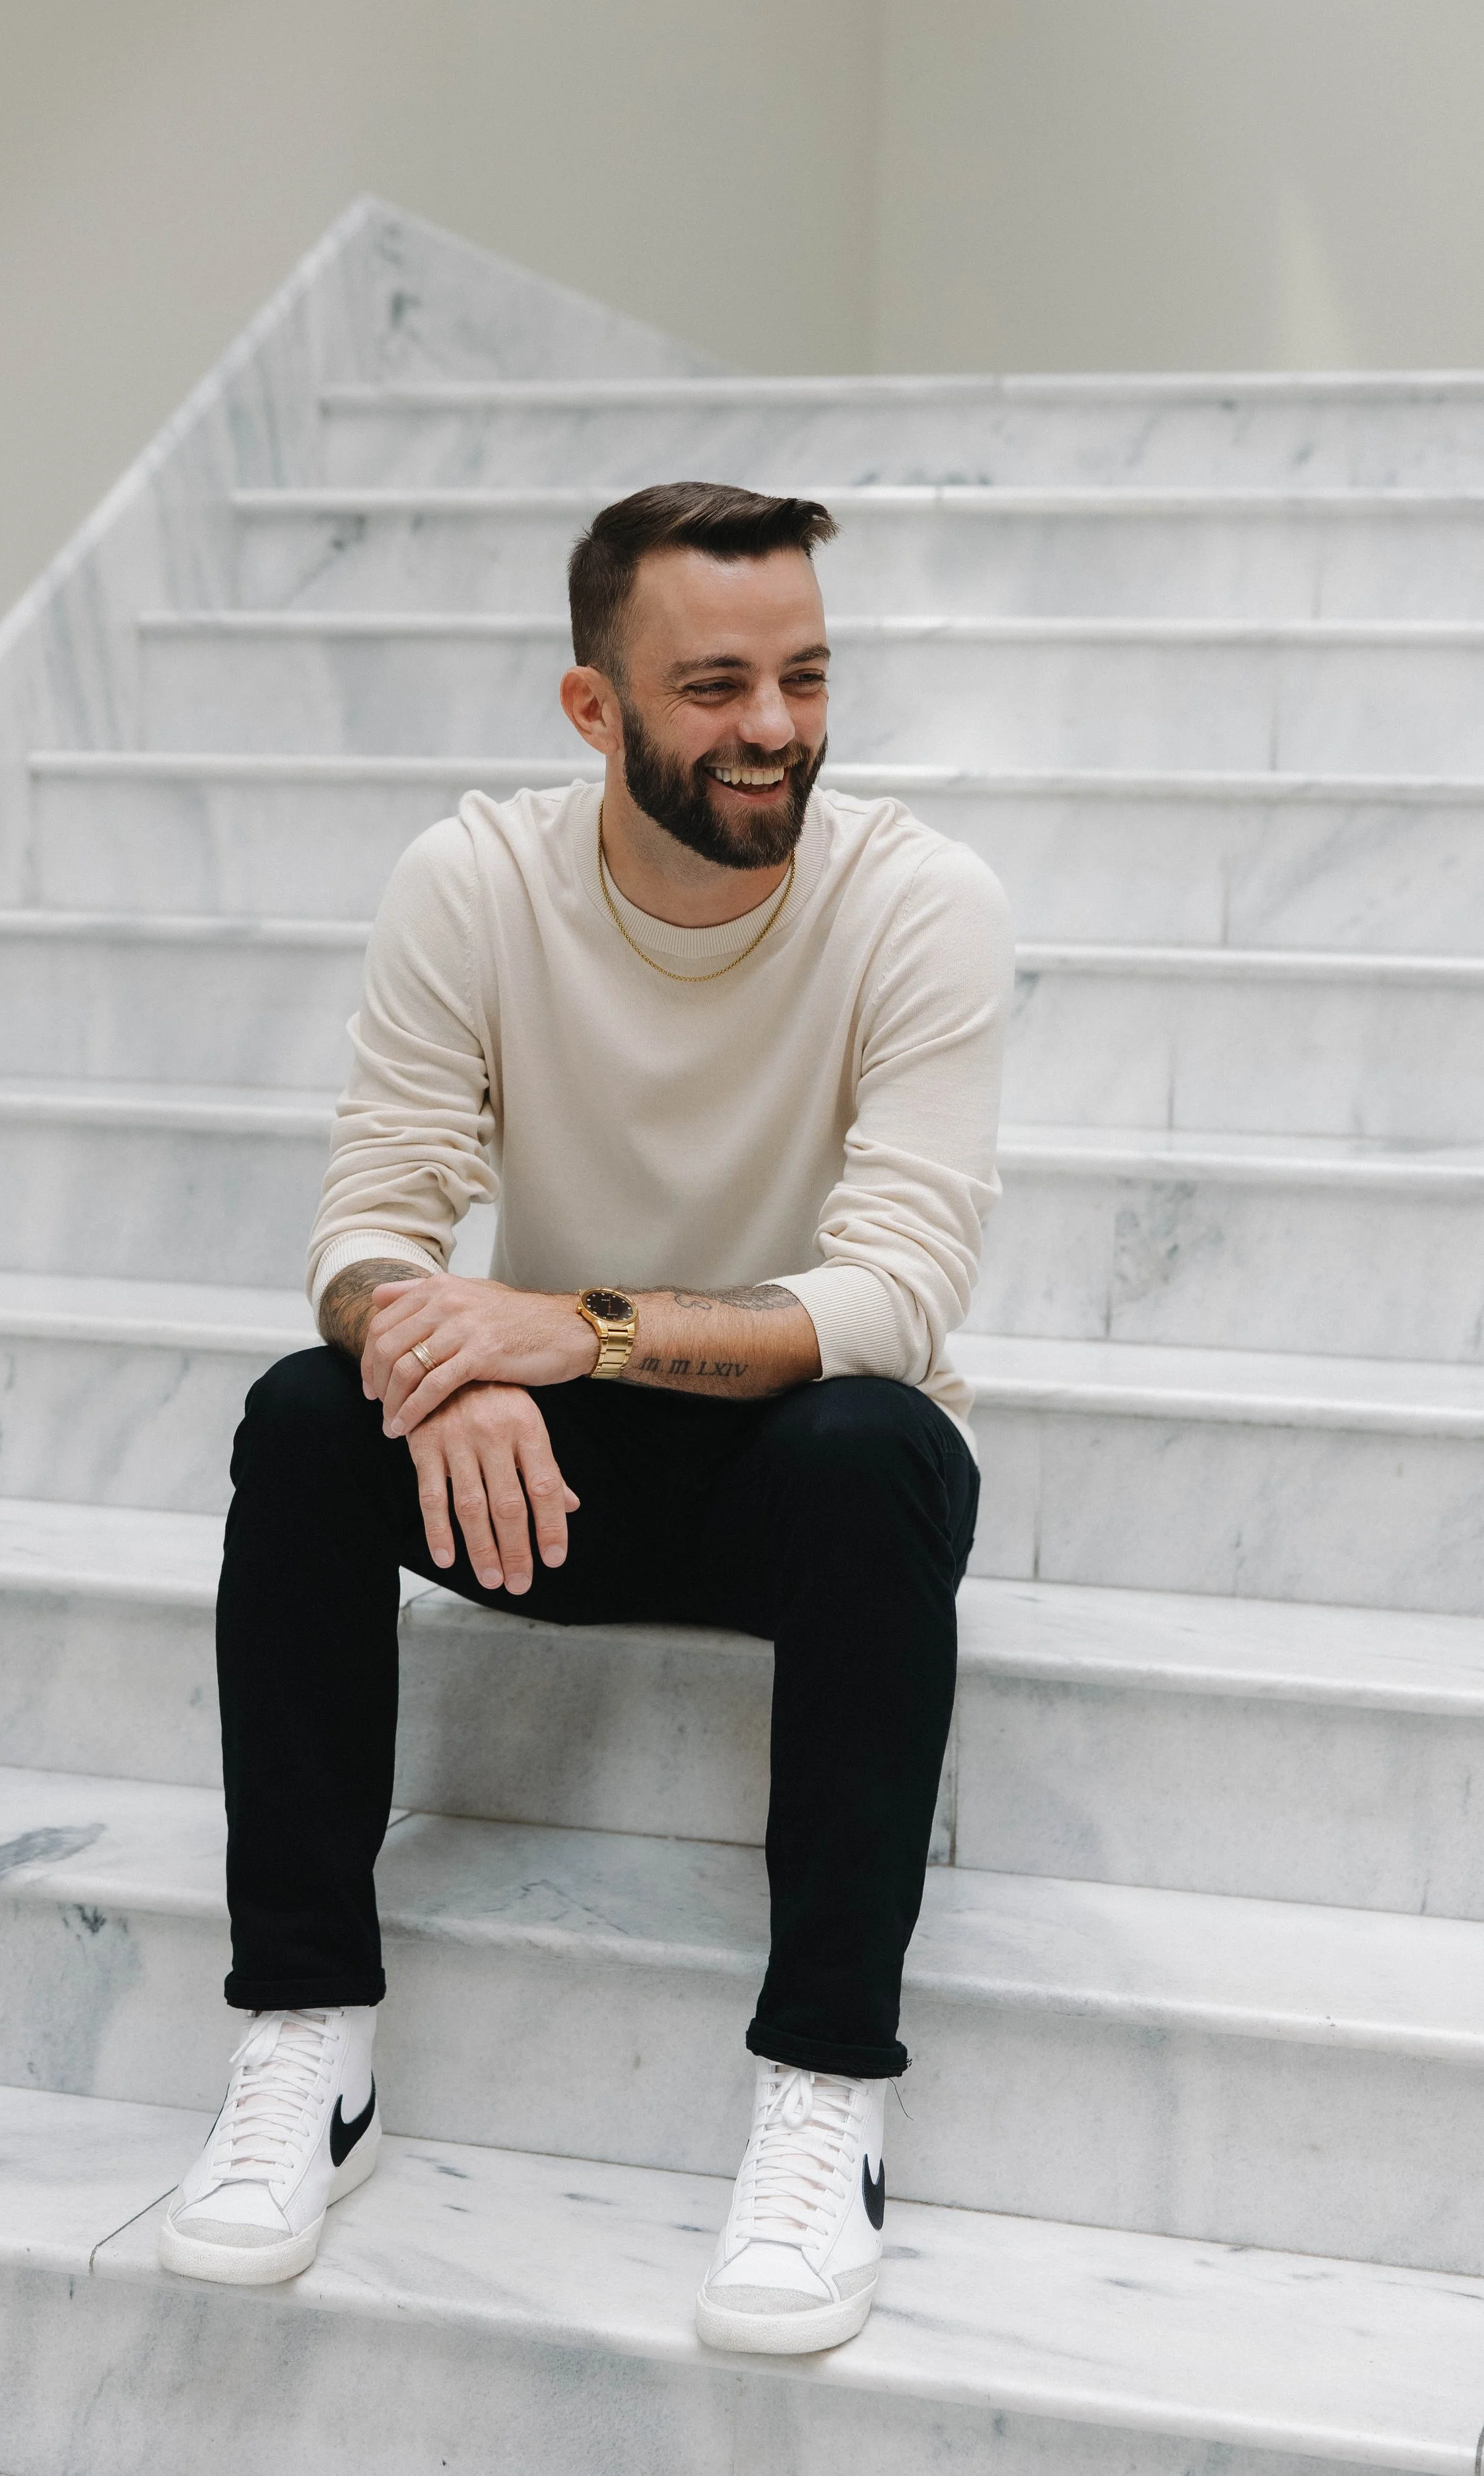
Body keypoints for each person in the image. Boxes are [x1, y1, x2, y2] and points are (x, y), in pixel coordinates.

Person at [158, 483, 1014, 2354]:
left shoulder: (919, 904)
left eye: (801, 673)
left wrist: (563, 1327)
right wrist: (434, 1350)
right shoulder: (471, 880)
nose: (773, 724)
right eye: (712, 684)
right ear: (587, 707)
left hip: (809, 1476)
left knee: (874, 1438)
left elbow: (888, 1294)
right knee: (307, 1419)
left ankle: (822, 2093)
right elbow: (371, 1226)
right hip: (549, 1472)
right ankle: (306, 2040)